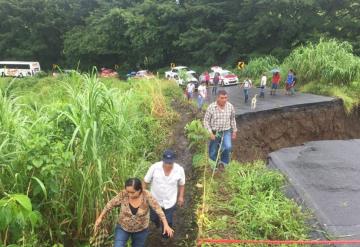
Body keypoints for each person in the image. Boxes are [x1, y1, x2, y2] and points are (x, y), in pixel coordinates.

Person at [94, 178, 174, 247]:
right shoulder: (123, 194)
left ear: (139, 190)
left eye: (132, 192)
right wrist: (100, 217)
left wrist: (166, 224)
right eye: (128, 191)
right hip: (123, 228)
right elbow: (110, 204)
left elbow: (158, 209)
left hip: (141, 229)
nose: (129, 194)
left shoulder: (146, 195)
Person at [144, 150, 185, 239]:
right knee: (153, 218)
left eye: (170, 163)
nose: (168, 165)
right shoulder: (154, 167)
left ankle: (165, 237)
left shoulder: (179, 170)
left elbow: (181, 184)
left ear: (173, 161)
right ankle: (157, 223)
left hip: (170, 201)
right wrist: (142, 195)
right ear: (163, 160)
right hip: (154, 200)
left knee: (168, 221)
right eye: (166, 162)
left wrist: (181, 197)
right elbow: (145, 181)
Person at [203, 90, 237, 170]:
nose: (224, 100)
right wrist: (210, 132)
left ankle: (224, 163)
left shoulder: (230, 106)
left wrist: (234, 130)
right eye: (222, 98)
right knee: (213, 149)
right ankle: (213, 165)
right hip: (215, 131)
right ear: (217, 98)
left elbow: (232, 119)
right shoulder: (211, 107)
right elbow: (206, 121)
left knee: (228, 147)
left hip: (226, 130)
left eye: (226, 98)